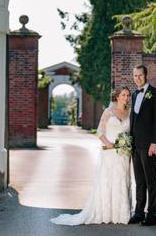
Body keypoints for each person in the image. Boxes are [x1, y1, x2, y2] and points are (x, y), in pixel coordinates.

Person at [51, 87, 133, 226]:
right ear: (117, 97)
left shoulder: (130, 113)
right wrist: (108, 144)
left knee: (122, 179)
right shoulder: (108, 112)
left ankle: (121, 214)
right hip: (109, 152)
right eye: (123, 95)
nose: (126, 97)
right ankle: (106, 213)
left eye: (128, 95)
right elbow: (100, 131)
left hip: (123, 153)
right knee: (107, 180)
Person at [128, 65, 156, 226]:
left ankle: (152, 215)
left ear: (146, 75)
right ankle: (138, 212)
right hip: (135, 145)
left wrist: (154, 143)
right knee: (139, 181)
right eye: (135, 76)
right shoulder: (135, 94)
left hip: (149, 145)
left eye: (140, 75)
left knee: (151, 181)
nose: (137, 78)